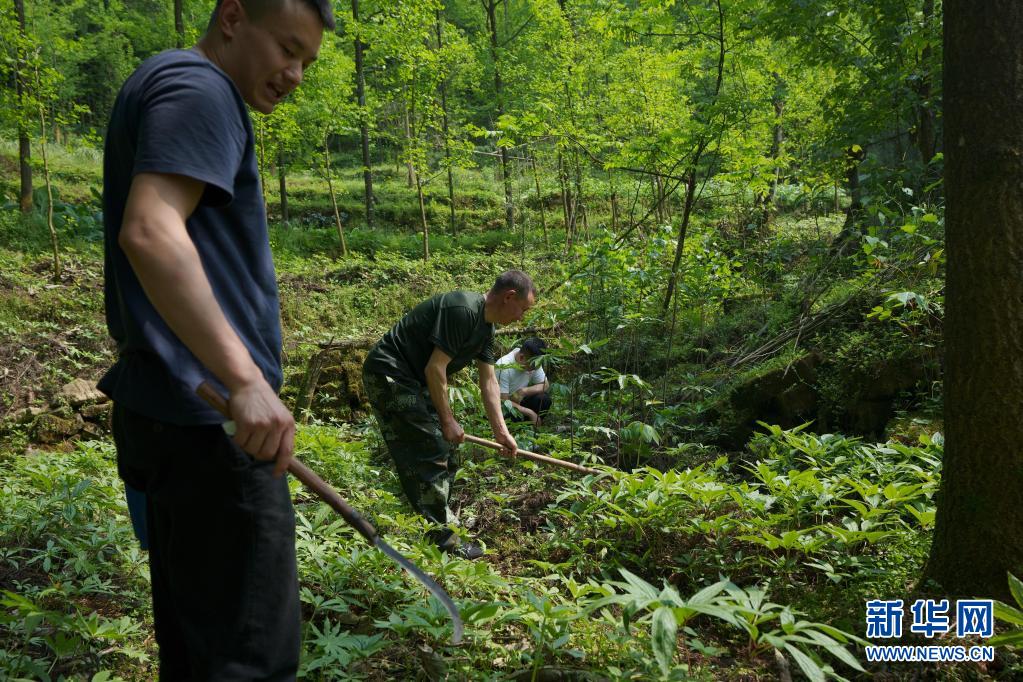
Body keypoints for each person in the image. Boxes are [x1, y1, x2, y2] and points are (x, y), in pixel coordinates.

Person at [98, 0, 333, 678]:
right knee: (248, 663)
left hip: (176, 417)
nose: (295, 74)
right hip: (214, 429)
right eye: (286, 49)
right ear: (232, 16)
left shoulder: (169, 81)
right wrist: (244, 379)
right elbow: (150, 231)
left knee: (200, 654)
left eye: (306, 62)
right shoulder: (202, 89)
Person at [362, 271, 536, 560]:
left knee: (448, 450)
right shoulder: (462, 310)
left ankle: (435, 519)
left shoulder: (486, 330)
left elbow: (489, 382)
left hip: (413, 381)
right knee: (432, 448)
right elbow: (435, 368)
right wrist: (447, 420)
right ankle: (443, 540)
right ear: (509, 297)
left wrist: (501, 432)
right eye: (523, 309)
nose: (521, 318)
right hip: (389, 374)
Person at [496, 337, 551, 426]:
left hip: (520, 400)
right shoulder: (504, 366)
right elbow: (503, 401)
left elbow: (545, 385)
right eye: (533, 366)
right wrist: (530, 413)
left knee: (544, 399)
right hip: (503, 406)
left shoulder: (534, 360)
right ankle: (519, 427)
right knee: (506, 412)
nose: (535, 368)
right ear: (521, 358)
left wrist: (523, 391)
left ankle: (531, 426)